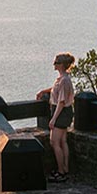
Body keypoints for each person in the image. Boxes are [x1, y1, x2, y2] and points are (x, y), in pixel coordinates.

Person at [36, 52, 75, 183]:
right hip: (64, 112)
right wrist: (44, 91)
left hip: (61, 113)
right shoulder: (63, 79)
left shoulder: (64, 81)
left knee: (54, 142)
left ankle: (61, 171)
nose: (54, 64)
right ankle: (65, 169)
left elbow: (61, 102)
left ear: (62, 65)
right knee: (63, 141)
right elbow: (55, 90)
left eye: (56, 62)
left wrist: (53, 119)